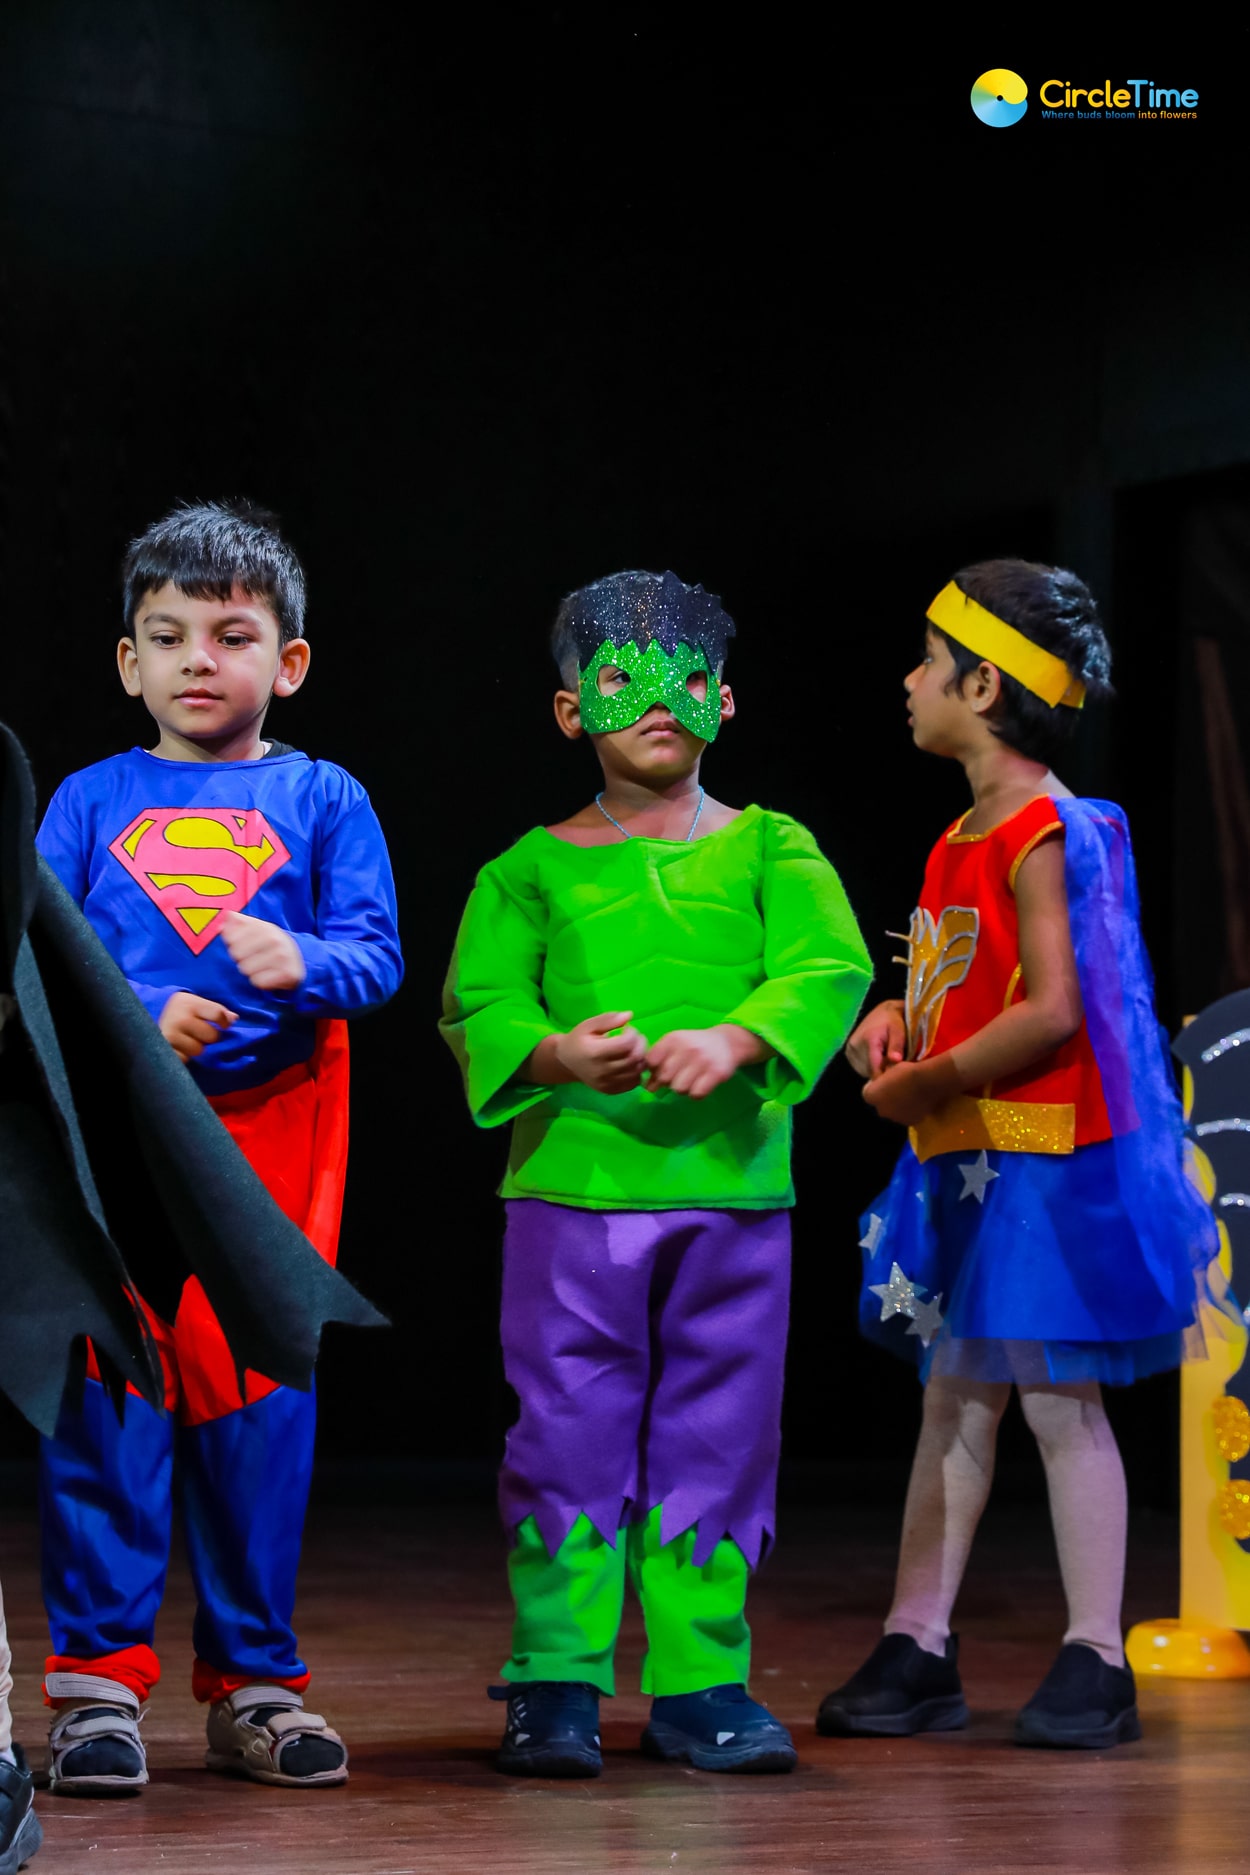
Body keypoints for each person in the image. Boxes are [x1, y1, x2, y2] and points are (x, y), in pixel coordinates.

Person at [442, 568, 872, 1776]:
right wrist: (555, 1054)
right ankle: (555, 1676)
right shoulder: (528, 870)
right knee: (563, 1434)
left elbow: (826, 968)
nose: (654, 700)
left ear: (722, 701)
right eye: (620, 678)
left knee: (718, 1434)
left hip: (730, 1202)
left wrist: (737, 1038)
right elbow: (479, 1003)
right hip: (572, 1204)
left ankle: (699, 1681)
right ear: (570, 708)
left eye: (684, 677)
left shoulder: (772, 849)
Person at [34, 500, 403, 1795]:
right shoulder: (86, 801)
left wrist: (300, 959)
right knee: (111, 1402)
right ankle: (95, 1689)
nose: (198, 658)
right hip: (119, 1164)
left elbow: (376, 956)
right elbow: (33, 965)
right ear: (127, 659)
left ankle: (255, 1683)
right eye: (168, 635)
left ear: (286, 662)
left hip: (266, 1160)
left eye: (231, 635)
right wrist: (139, 1015)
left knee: (256, 1414)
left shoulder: (324, 797)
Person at [818, 560, 1214, 1750]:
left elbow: (1051, 1009)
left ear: (980, 686)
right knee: (952, 1397)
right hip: (968, 1156)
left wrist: (928, 1077)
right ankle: (916, 1639)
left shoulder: (1046, 828)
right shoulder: (957, 835)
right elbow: (960, 977)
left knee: (1054, 1399)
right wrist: (895, 1024)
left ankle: (1096, 1654)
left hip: (1040, 1158)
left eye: (925, 661)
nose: (907, 681)